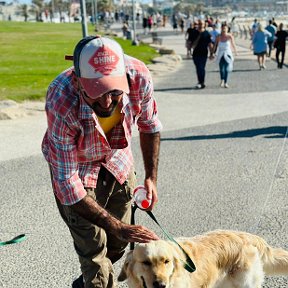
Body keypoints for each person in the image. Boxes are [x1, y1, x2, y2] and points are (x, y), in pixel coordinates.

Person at [41, 36, 162, 288]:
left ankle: (86, 282)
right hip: (79, 170)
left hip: (118, 162)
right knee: (95, 254)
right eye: (95, 93)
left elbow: (149, 126)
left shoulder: (138, 75)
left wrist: (151, 177)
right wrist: (114, 225)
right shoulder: (61, 99)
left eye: (114, 91)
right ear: (78, 81)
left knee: (117, 244)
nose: (106, 103)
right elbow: (67, 183)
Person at [191, 19, 214, 89]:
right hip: (196, 53)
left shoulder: (207, 33)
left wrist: (211, 53)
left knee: (202, 68)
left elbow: (210, 44)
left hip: (204, 53)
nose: (201, 25)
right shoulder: (194, 32)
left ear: (205, 25)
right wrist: (199, 36)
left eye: (202, 24)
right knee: (198, 68)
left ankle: (201, 82)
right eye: (199, 24)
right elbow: (192, 45)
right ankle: (200, 82)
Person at [214, 23, 237, 88]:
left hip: (228, 53)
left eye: (225, 28)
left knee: (227, 69)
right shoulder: (218, 36)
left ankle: (226, 82)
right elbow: (215, 45)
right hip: (220, 54)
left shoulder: (230, 36)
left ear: (227, 29)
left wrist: (235, 52)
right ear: (221, 28)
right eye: (223, 28)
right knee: (221, 69)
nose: (224, 29)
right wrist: (213, 52)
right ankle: (222, 80)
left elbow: (233, 44)